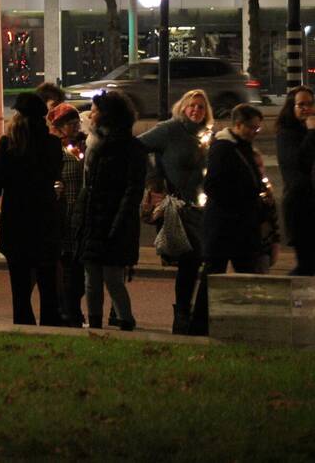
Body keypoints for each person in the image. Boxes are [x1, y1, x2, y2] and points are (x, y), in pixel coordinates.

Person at [0, 93, 63, 326]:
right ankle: (50, 327)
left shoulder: (9, 144)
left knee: (20, 290)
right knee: (48, 286)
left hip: (17, 222)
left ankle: (24, 327)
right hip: (45, 220)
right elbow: (54, 176)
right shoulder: (53, 145)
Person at [138, 89, 213, 334]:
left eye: (201, 107)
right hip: (178, 208)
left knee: (200, 262)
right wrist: (154, 179)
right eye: (191, 106)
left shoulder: (207, 136)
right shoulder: (170, 130)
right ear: (182, 108)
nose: (195, 110)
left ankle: (192, 315)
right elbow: (139, 146)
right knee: (190, 261)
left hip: (201, 208)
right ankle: (182, 315)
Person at [193, 104, 269, 334]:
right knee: (218, 276)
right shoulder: (223, 149)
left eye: (257, 128)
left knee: (235, 275)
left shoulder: (240, 146)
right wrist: (246, 196)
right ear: (238, 125)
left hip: (236, 226)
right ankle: (200, 327)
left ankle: (212, 325)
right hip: (225, 226)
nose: (254, 132)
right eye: (251, 128)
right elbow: (213, 185)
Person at [76, 92, 146, 331]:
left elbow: (132, 189)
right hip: (95, 219)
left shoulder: (129, 148)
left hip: (113, 221)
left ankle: (126, 319)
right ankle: (95, 322)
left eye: (95, 110)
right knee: (92, 278)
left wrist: (119, 221)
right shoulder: (96, 144)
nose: (90, 114)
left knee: (112, 278)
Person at [47, 102, 87, 326]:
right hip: (64, 215)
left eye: (76, 123)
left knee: (79, 270)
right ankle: (68, 310)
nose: (74, 127)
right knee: (67, 268)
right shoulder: (55, 150)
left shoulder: (85, 146)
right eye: (69, 124)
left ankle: (72, 307)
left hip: (82, 216)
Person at [275, 86, 315, 276]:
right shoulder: (286, 133)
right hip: (301, 206)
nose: (307, 108)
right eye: (301, 105)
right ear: (292, 107)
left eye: (310, 104)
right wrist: (312, 133)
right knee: (306, 265)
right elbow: (298, 162)